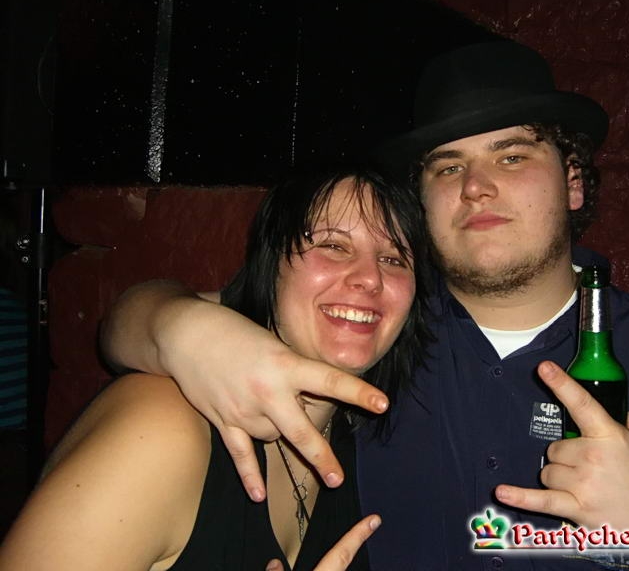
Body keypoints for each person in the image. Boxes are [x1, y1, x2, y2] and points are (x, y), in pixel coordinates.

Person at [97, 41, 629, 570]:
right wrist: (183, 328)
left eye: (512, 156)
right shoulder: (371, 325)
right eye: (447, 166)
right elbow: (132, 322)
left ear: (574, 183)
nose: (476, 187)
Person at [0, 164, 432, 571]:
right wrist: (177, 323)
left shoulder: (367, 440)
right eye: (333, 246)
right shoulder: (161, 427)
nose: (369, 278)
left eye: (394, 259)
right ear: (270, 265)